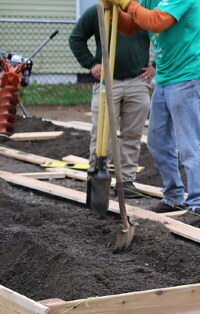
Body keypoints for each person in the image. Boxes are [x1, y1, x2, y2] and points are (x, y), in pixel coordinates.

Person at [102, 0, 200, 227]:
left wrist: (126, 2)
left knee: (188, 144)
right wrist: (112, 10)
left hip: (188, 77)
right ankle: (173, 197)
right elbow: (131, 26)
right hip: (164, 79)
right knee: (158, 142)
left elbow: (155, 22)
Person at [69, 5, 154, 198]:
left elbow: (165, 38)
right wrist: (91, 63)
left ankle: (127, 182)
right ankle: (97, 179)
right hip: (108, 81)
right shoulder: (100, 10)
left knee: (132, 134)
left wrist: (155, 65)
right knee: (102, 134)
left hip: (138, 82)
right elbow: (76, 38)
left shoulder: (143, 9)